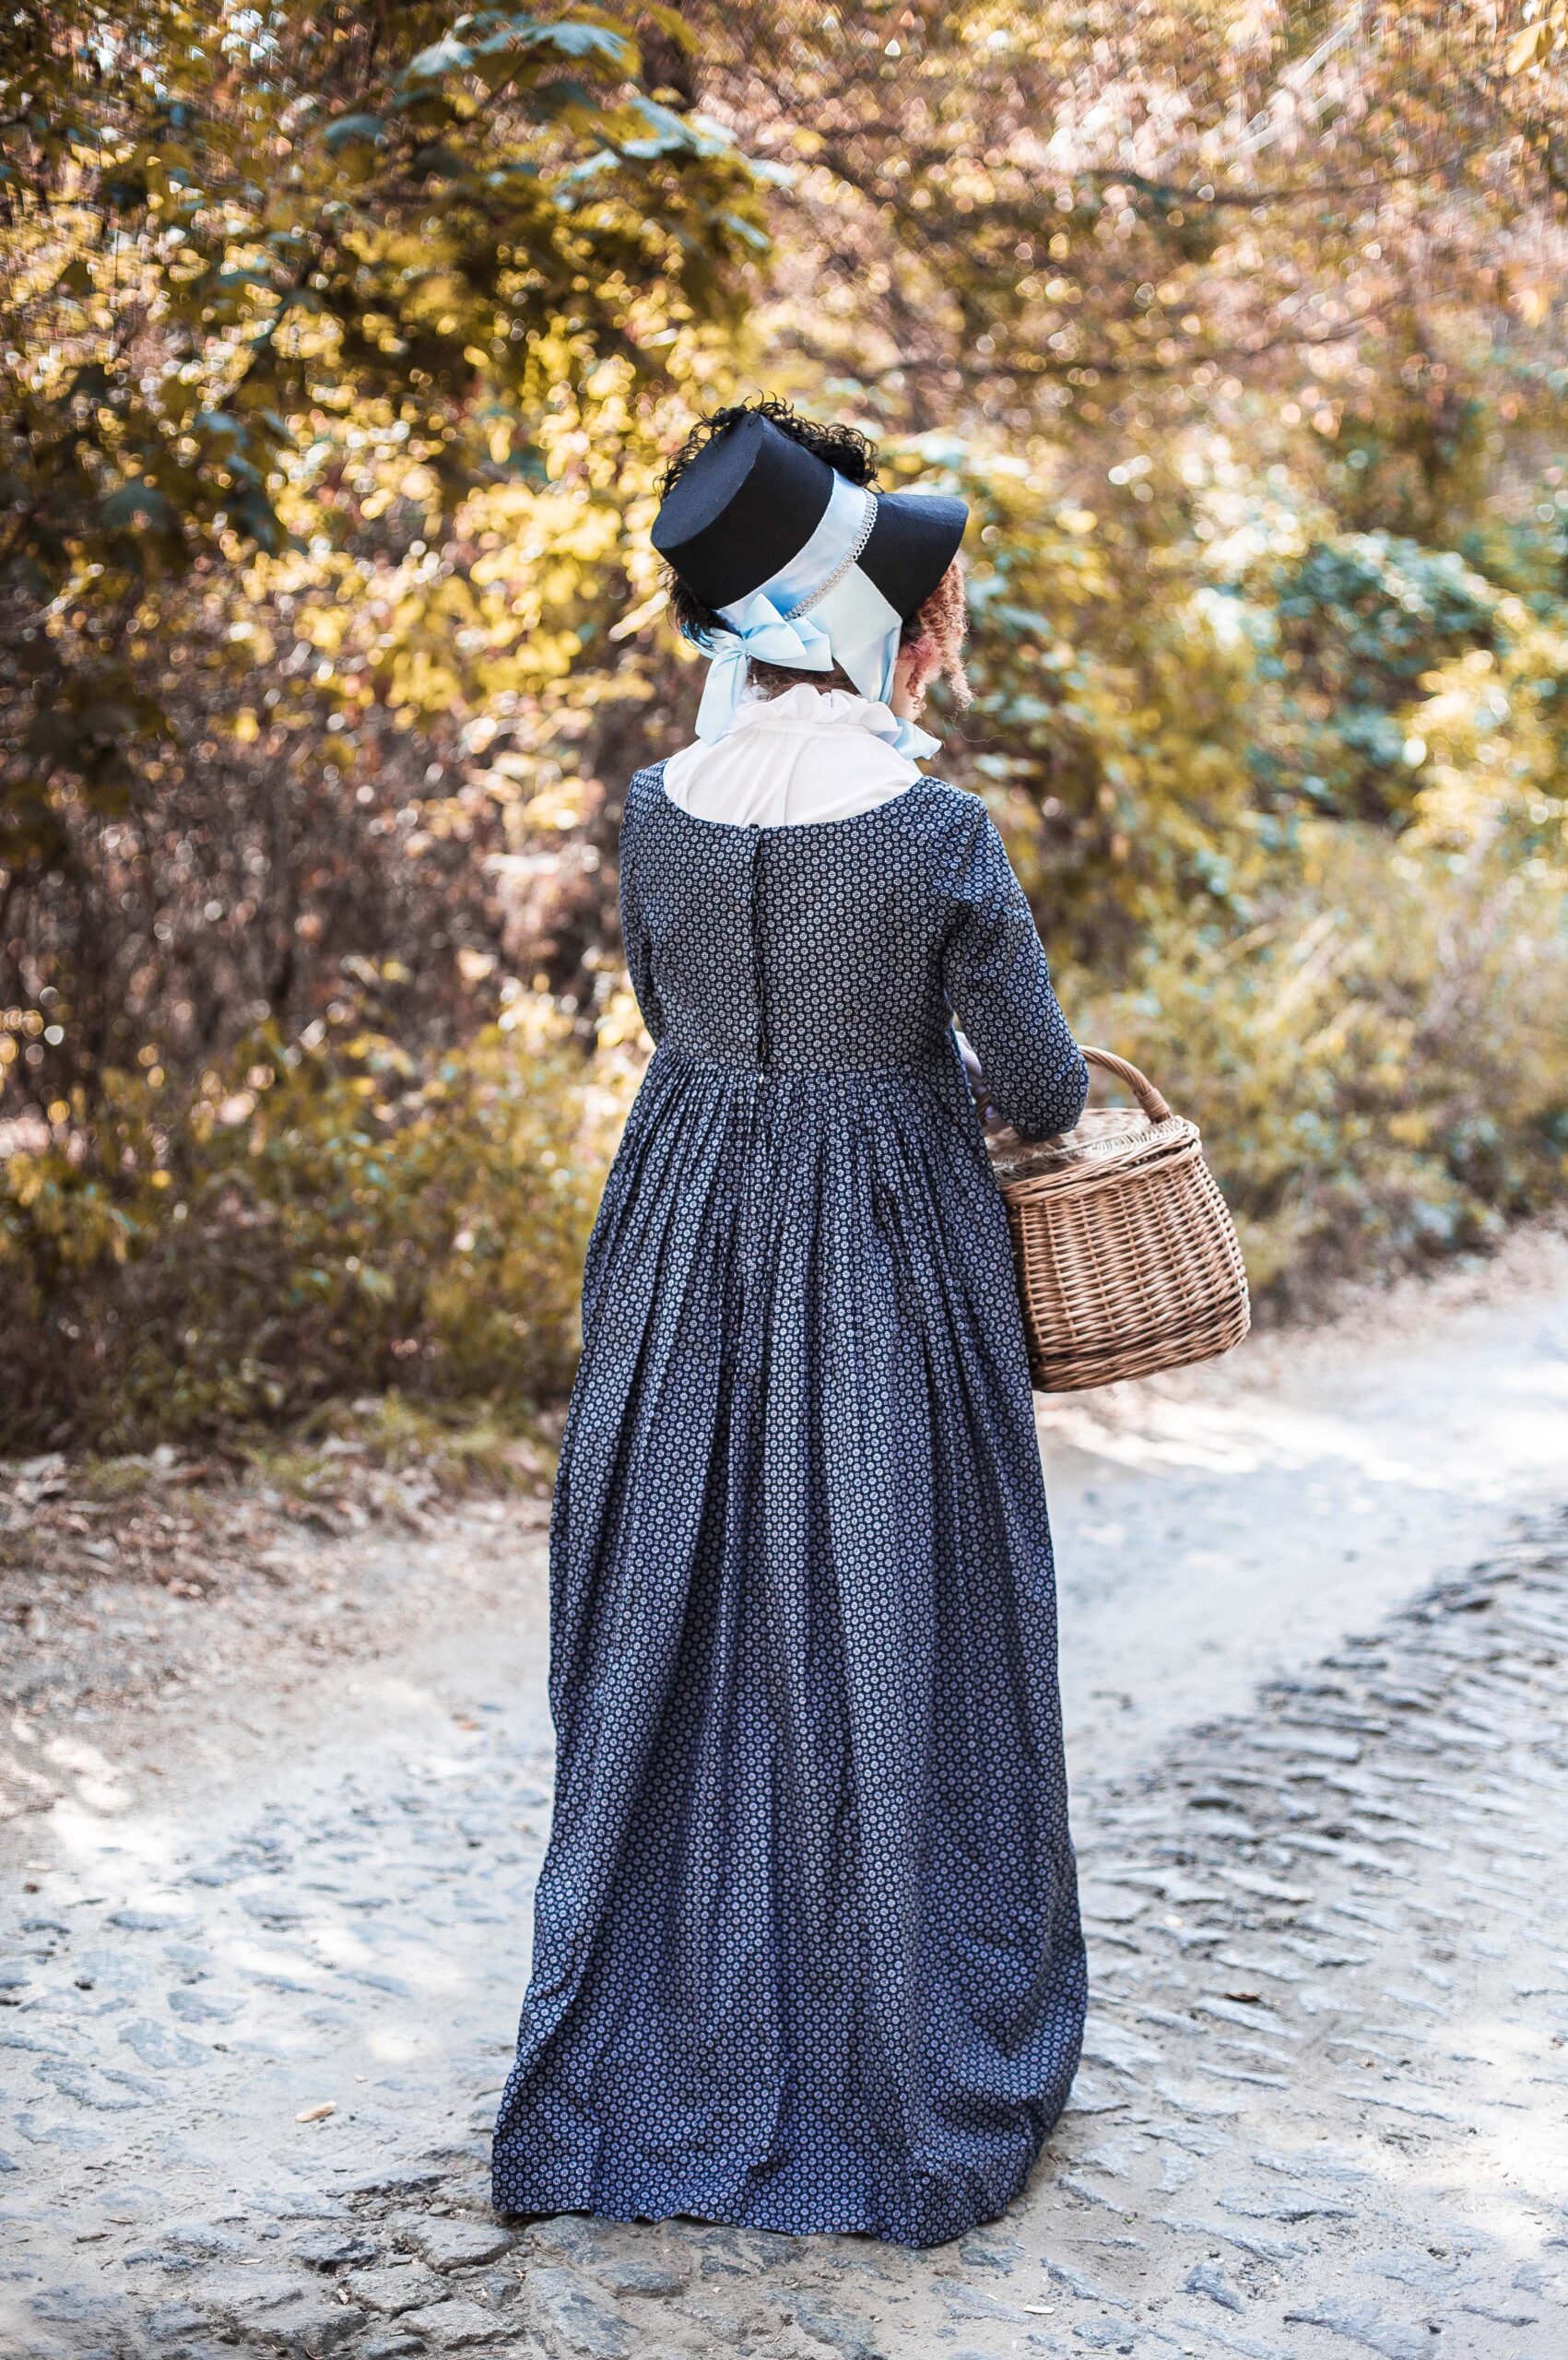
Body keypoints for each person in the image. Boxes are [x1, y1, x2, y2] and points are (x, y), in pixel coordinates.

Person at [491, 399, 1090, 2249]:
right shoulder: (936, 831)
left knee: (681, 1612)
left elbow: (675, 1009)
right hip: (884, 1258)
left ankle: (651, 2032)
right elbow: (1046, 1085)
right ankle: (884, 2047)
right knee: (887, 1606)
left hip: (678, 1241)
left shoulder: (648, 811)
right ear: (857, 617)